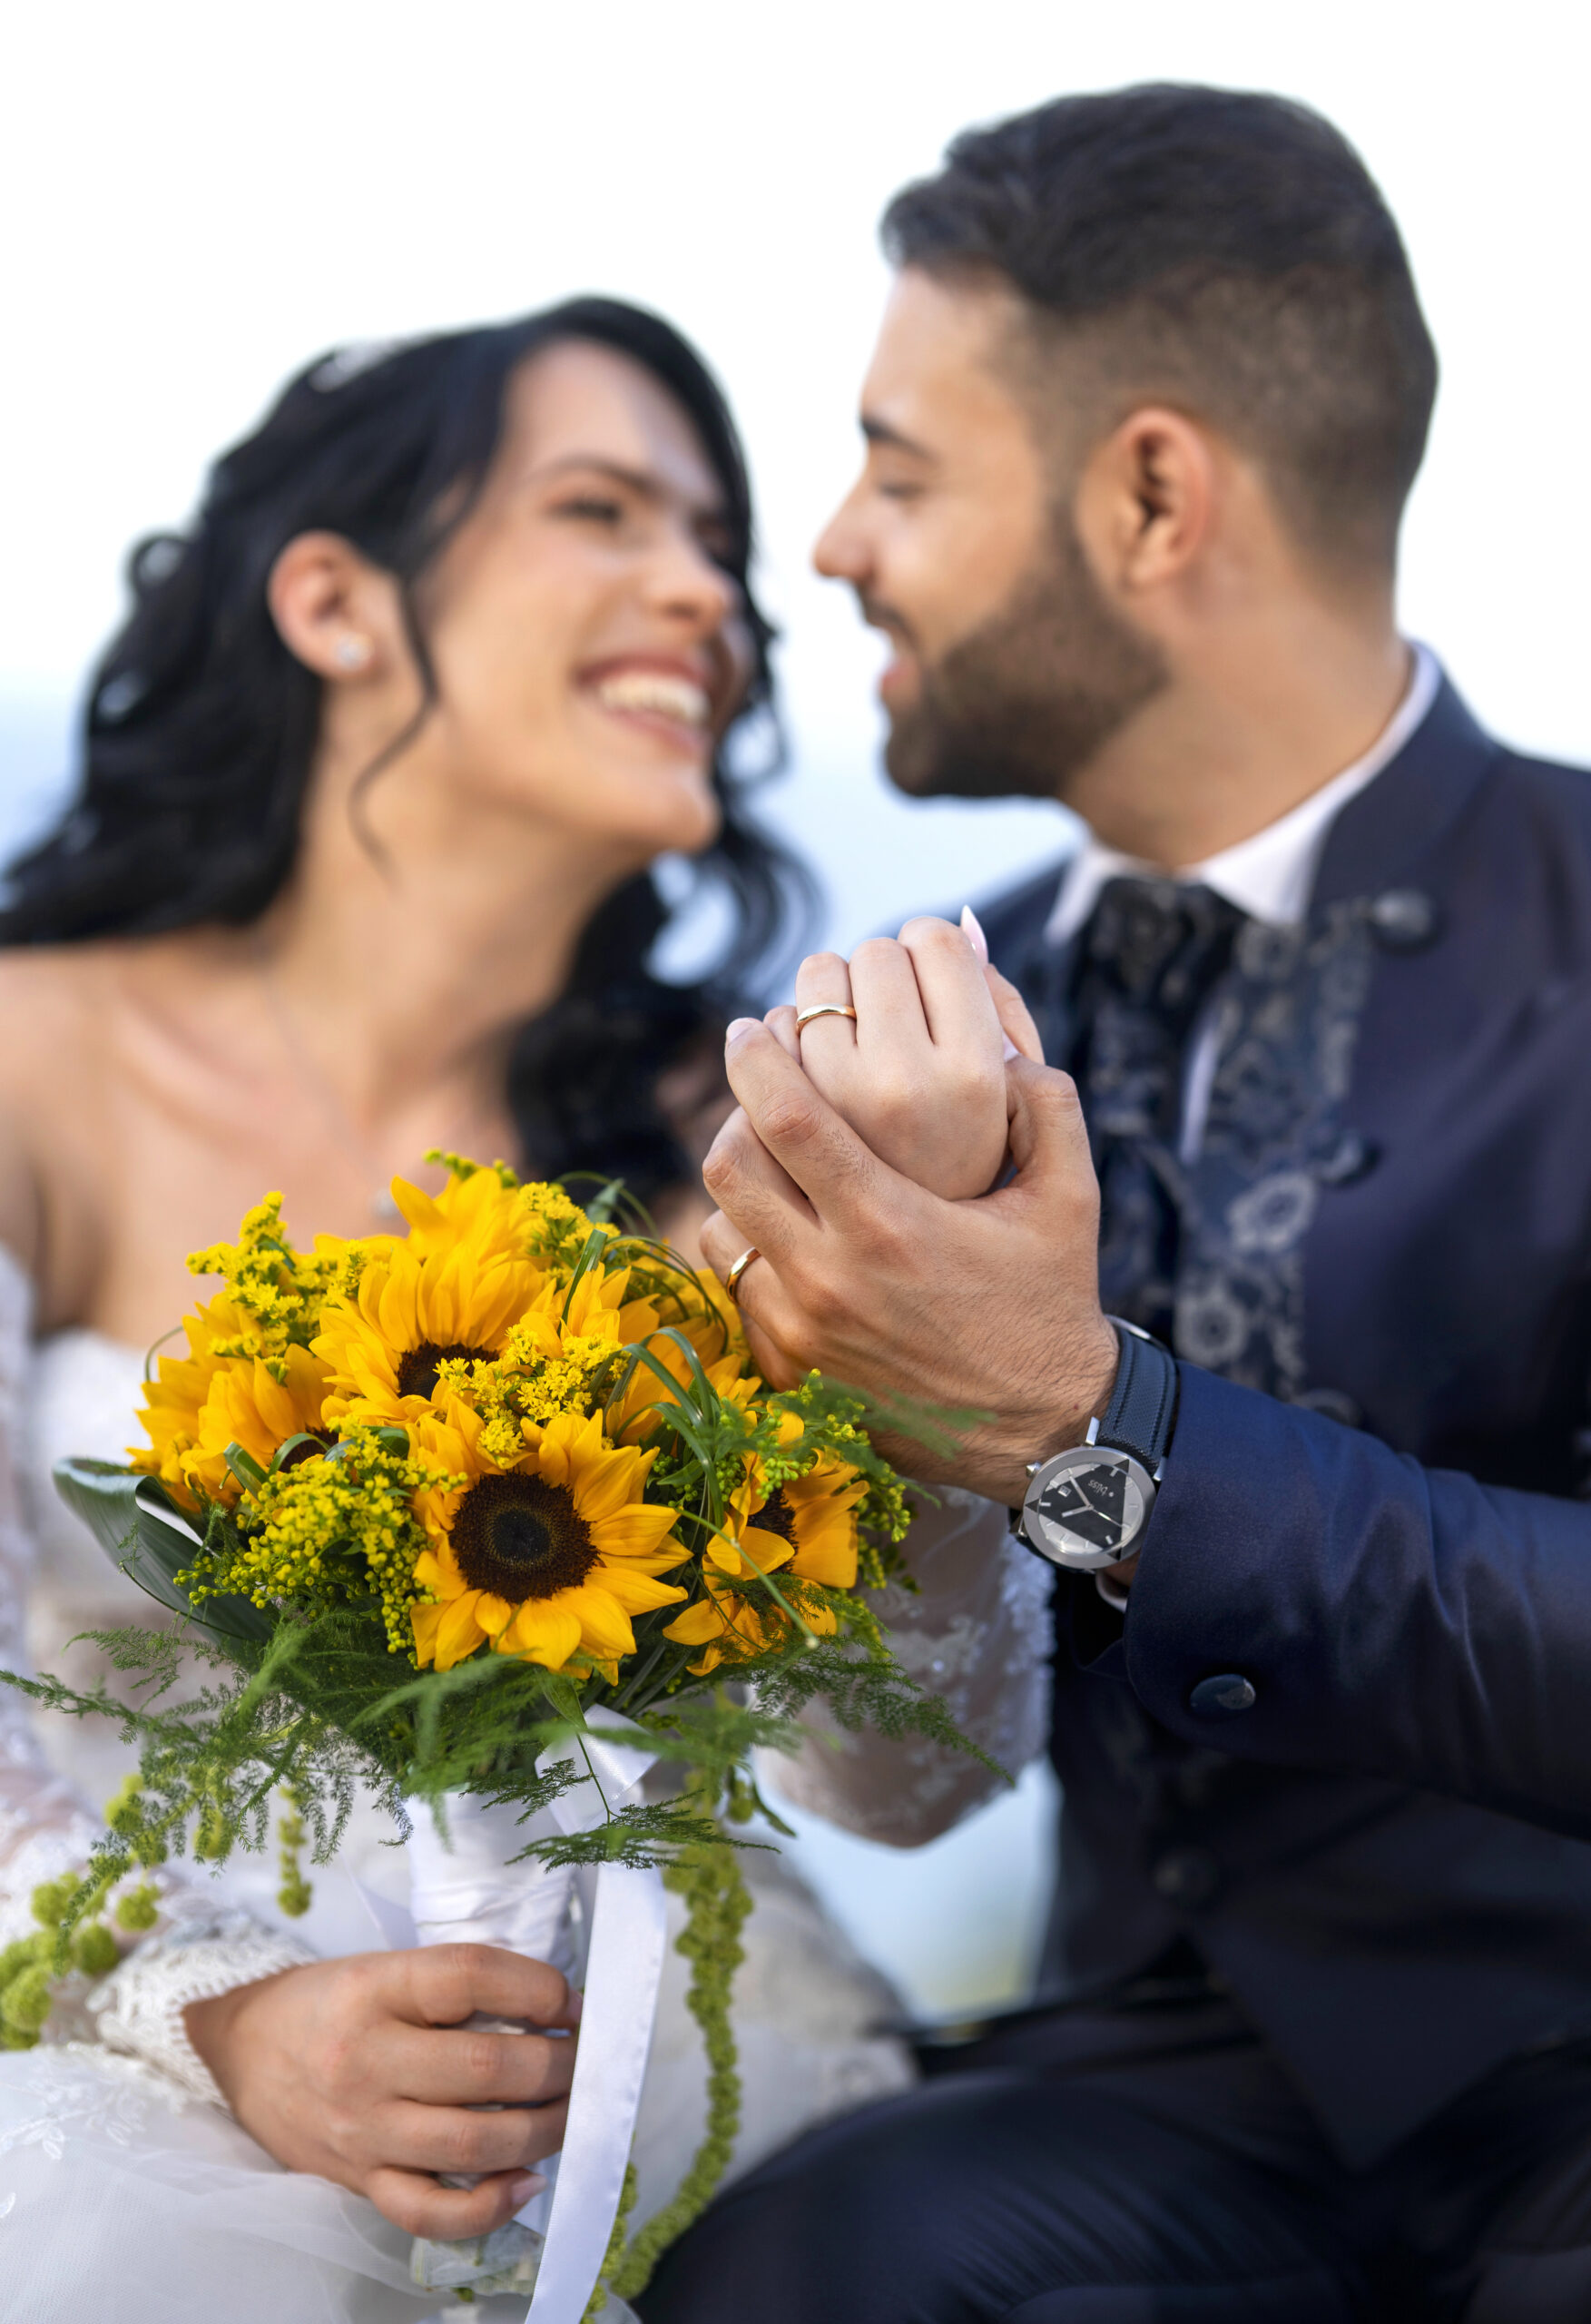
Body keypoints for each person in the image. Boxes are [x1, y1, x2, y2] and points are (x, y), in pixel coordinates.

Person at [642, 86, 1591, 2321]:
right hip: (1158, 2083)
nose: (836, 548)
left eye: (900, 464)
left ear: (1151, 490)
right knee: (787, 2268)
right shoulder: (909, 1029)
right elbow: (900, 1768)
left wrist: (1079, 1423)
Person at [0, 300, 1010, 2319]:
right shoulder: (36, 1059)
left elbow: (906, 1785)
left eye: (717, 544)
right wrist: (221, 2014)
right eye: (602, 508)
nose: (706, 595)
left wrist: (945, 1395)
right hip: (120, 1982)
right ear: (333, 601)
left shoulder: (731, 1155)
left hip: (622, 2027)